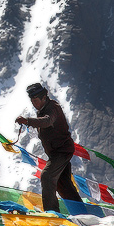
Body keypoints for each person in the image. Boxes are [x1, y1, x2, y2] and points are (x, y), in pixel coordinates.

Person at [16, 83, 83, 211]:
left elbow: (47, 121)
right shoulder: (43, 109)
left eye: (35, 100)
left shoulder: (53, 108)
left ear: (44, 97)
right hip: (56, 152)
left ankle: (51, 212)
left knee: (47, 176)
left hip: (62, 151)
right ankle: (80, 211)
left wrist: (28, 121)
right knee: (63, 184)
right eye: (32, 101)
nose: (33, 103)